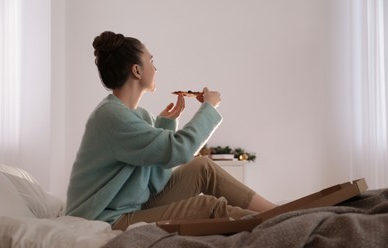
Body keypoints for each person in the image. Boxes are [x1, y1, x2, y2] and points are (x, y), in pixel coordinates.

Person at [66, 31, 276, 231]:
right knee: (206, 207)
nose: (156, 69)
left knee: (202, 167)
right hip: (106, 218)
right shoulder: (111, 117)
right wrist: (209, 108)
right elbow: (180, 150)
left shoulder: (138, 116)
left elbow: (156, 183)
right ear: (136, 70)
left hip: (132, 207)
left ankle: (277, 212)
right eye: (152, 61)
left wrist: (164, 125)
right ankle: (277, 221)